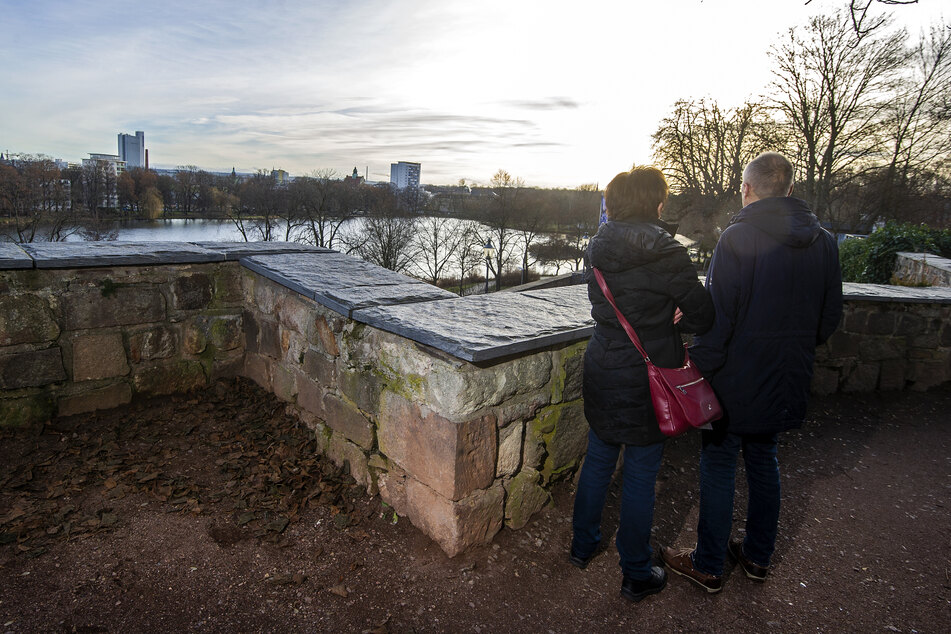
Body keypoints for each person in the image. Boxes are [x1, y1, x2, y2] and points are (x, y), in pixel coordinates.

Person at [661, 152, 843, 593]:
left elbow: (719, 320)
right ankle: (758, 557)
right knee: (765, 461)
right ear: (789, 189)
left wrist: (697, 367)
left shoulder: (739, 237)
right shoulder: (824, 242)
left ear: (747, 188)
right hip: (786, 376)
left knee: (720, 462)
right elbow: (828, 318)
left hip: (736, 378)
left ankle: (708, 564)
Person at [571, 166, 714, 602]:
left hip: (603, 365)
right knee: (639, 473)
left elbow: (609, 305)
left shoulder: (597, 248)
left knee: (598, 458)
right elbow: (704, 316)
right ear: (654, 203)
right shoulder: (668, 253)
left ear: (613, 204)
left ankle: (582, 545)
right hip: (649, 376)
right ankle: (635, 570)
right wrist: (677, 316)